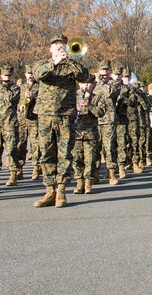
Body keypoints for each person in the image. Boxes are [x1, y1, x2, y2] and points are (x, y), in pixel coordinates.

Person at [31, 35, 92, 208]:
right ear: (50, 49)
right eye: (56, 45)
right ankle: (50, 191)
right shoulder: (42, 64)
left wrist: (70, 60)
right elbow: (38, 75)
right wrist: (55, 62)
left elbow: (85, 76)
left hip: (66, 115)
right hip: (45, 115)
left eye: (62, 45)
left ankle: (61, 191)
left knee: (64, 154)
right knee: (47, 154)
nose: (59, 48)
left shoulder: (72, 66)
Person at [72, 79, 108, 194]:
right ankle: (79, 182)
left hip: (90, 133)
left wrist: (90, 106)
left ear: (93, 85)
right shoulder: (74, 96)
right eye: (84, 83)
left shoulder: (97, 97)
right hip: (76, 133)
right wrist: (74, 109)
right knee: (77, 159)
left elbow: (101, 112)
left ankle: (88, 183)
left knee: (90, 159)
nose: (86, 85)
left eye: (89, 83)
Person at [0, 66, 21, 185]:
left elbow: (10, 99)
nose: (6, 78)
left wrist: (2, 86)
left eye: (8, 76)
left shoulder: (15, 88)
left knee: (11, 149)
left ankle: (13, 173)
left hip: (9, 123)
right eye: (4, 76)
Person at [17, 71, 40, 181]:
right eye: (28, 73)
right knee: (20, 144)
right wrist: (22, 104)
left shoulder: (39, 86)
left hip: (34, 119)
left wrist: (34, 96)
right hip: (22, 120)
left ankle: (36, 168)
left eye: (32, 73)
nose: (30, 76)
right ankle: (19, 169)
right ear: (25, 74)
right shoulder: (21, 87)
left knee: (35, 144)